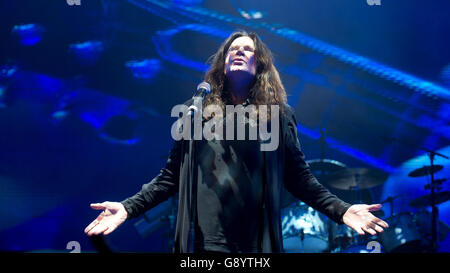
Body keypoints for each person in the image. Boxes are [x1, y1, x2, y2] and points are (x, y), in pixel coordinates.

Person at [84, 31, 388, 253]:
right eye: (232, 49)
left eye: (247, 49)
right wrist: (127, 208)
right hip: (206, 243)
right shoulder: (198, 111)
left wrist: (342, 210)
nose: (238, 52)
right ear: (223, 63)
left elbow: (300, 179)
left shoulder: (277, 116)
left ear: (260, 66)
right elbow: (171, 176)